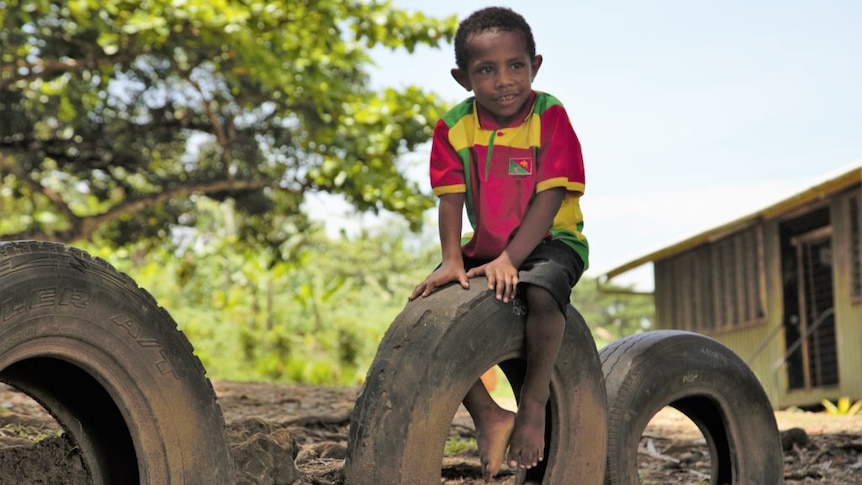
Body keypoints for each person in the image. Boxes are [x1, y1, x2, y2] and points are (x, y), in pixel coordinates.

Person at [408, 6, 589, 481]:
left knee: (541, 292)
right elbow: (449, 201)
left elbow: (550, 198)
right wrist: (451, 260)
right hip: (486, 242)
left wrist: (513, 258)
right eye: (486, 70)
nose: (504, 80)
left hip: (552, 237)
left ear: (536, 66)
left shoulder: (550, 115)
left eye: (516, 66)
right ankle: (489, 413)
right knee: (433, 312)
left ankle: (532, 403)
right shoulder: (453, 126)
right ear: (462, 77)